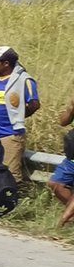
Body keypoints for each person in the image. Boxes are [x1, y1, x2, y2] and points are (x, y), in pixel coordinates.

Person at [0, 46, 40, 183]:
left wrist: (16, 117)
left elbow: (34, 104)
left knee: (10, 174)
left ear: (6, 63)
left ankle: (11, 196)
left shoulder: (24, 80)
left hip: (10, 134)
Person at [51, 93, 74, 227]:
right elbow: (63, 122)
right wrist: (71, 109)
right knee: (55, 184)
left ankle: (61, 223)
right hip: (71, 158)